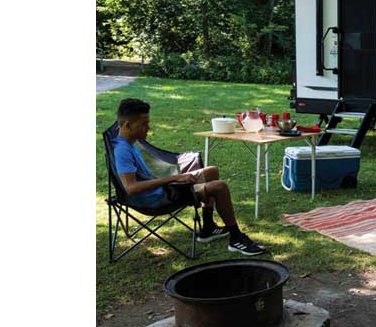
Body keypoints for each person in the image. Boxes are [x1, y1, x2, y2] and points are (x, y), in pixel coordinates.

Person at [111, 98, 266, 256]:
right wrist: (173, 179)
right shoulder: (122, 151)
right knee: (220, 187)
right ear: (127, 125)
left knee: (211, 171)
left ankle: (208, 228)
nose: (148, 127)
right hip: (157, 198)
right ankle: (236, 238)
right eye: (143, 124)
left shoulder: (127, 142)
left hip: (162, 189)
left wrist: (174, 179)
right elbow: (131, 188)